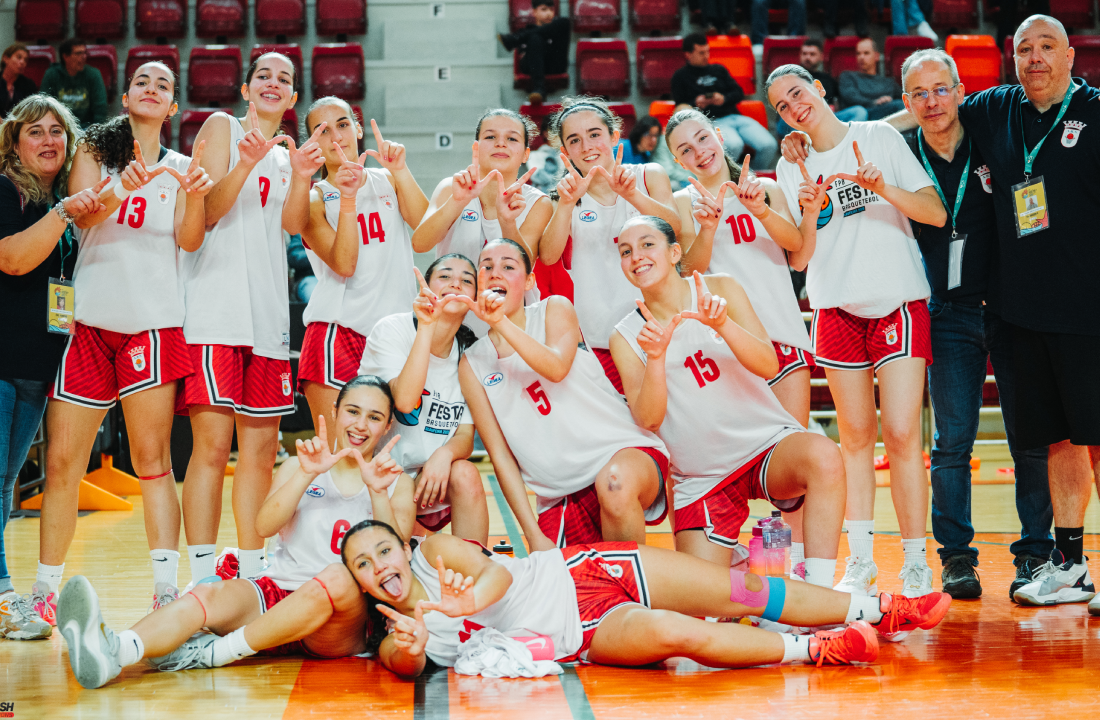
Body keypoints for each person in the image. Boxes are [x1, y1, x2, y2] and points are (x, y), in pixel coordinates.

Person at [873, 16, 1100, 617]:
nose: (1034, 58)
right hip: (1022, 315)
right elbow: (932, 108)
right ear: (1012, 60)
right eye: (1023, 49)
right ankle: (1069, 565)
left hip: (1097, 311)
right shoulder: (996, 109)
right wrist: (826, 135)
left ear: (1069, 56)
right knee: (1054, 439)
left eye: (1047, 47)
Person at [55, 376, 415, 689]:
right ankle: (114, 651)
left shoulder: (395, 482)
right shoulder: (299, 465)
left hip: (340, 618)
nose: (361, 424)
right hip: (279, 593)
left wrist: (377, 492)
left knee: (336, 576)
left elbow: (398, 554)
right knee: (210, 595)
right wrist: (305, 475)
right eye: (353, 411)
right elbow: (263, 527)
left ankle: (213, 654)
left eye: (374, 417)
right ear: (335, 412)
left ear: (386, 428)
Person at [37, 62, 215, 614]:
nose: (153, 89)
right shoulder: (93, 149)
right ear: (125, 96)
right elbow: (82, 220)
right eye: (144, 82)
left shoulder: (185, 166)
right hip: (89, 324)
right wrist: (120, 187)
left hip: (153, 326)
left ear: (173, 108)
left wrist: (196, 197)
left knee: (152, 460)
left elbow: (188, 241)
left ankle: (165, 591)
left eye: (164, 86)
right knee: (64, 462)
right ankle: (44, 591)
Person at [767, 63, 949, 598]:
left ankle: (917, 561)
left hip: (897, 301)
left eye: (798, 93)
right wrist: (807, 212)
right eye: (782, 105)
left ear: (820, 89)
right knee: (854, 440)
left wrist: (882, 187)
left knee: (901, 434)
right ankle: (863, 560)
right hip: (835, 306)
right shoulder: (790, 167)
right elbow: (800, 260)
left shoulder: (877, 136)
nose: (794, 106)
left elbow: (935, 213)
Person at [0, 94, 107, 640]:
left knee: (2, 483)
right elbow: (12, 259)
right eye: (35, 131)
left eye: (58, 131)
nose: (49, 140)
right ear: (13, 142)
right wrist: (63, 213)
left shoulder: (65, 205)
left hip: (32, 362)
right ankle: (5, 598)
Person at [341, 521, 955, 676]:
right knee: (678, 635)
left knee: (738, 586)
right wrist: (417, 640)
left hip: (587, 568)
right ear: (364, 586)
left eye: (382, 552)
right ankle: (810, 649)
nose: (381, 568)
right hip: (583, 633)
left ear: (402, 547)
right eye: (364, 567)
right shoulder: (398, 629)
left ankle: (878, 610)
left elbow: (499, 578)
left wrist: (461, 603)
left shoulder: (433, 553)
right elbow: (407, 665)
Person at [893, 50, 1054, 600]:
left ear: (961, 90)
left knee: (1030, 439)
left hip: (1012, 307)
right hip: (946, 312)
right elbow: (846, 137)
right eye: (920, 93)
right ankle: (957, 557)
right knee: (951, 442)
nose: (932, 102)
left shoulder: (990, 134)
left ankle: (1035, 554)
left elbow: (1045, 100)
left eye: (941, 89)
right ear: (907, 101)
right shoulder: (901, 154)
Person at [609, 217, 846, 588]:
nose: (636, 256)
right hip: (702, 477)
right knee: (705, 607)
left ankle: (820, 595)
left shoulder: (721, 289)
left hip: (764, 445)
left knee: (824, 456)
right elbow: (649, 420)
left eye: (646, 244)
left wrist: (723, 326)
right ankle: (746, 572)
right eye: (626, 251)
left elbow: (768, 364)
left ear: (674, 253)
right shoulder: (625, 335)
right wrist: (655, 357)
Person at [181, 52, 324, 586]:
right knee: (213, 450)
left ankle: (253, 570)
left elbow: (292, 225)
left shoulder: (288, 158)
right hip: (216, 313)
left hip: (267, 317)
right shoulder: (221, 128)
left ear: (291, 99)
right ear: (246, 89)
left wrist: (305, 175)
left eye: (284, 79)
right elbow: (208, 211)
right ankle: (199, 576)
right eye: (263, 74)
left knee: (260, 453)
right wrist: (244, 163)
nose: (272, 83)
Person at [664, 109, 815, 577]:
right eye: (684, 150)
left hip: (783, 339)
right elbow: (686, 274)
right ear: (677, 162)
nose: (698, 151)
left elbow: (800, 254)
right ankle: (732, 565)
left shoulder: (765, 186)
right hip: (725, 349)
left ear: (719, 135)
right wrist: (707, 227)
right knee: (728, 464)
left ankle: (793, 571)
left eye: (702, 138)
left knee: (789, 474)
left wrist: (761, 209)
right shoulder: (680, 204)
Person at [458, 239, 669, 549]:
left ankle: (643, 587)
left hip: (623, 458)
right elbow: (501, 456)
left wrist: (500, 323)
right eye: (486, 267)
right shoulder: (472, 363)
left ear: (529, 280)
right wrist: (532, 534)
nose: (495, 273)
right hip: (561, 495)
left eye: (508, 266)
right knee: (572, 594)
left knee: (615, 485)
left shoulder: (554, 308)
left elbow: (555, 367)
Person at [295, 97, 425, 446]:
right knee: (338, 456)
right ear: (313, 144)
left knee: (394, 454)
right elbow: (344, 263)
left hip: (393, 336)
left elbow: (427, 230)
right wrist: (348, 197)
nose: (336, 135)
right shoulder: (314, 199)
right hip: (338, 333)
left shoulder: (387, 180)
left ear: (356, 127)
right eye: (323, 131)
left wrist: (400, 170)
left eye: (343, 123)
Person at [538, 98, 680, 394]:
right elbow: (549, 256)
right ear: (564, 151)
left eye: (594, 134)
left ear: (614, 136)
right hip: (599, 334)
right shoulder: (564, 197)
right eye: (574, 140)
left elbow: (674, 228)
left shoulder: (648, 175)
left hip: (661, 327)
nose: (587, 145)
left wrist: (633, 196)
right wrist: (564, 205)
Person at [356, 257, 489, 543]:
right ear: (425, 287)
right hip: (379, 480)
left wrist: (444, 455)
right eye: (446, 276)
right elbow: (404, 401)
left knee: (464, 472)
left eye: (467, 280)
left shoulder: (472, 353)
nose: (456, 283)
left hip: (428, 484)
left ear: (474, 298)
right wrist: (427, 326)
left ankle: (473, 568)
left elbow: (465, 435)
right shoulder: (393, 330)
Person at [412, 108, 554, 335]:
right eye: (490, 137)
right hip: (453, 321)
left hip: (511, 323)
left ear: (526, 154)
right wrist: (458, 201)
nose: (500, 143)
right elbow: (420, 243)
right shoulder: (451, 187)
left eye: (511, 138)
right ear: (475, 147)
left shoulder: (539, 203)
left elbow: (524, 266)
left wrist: (507, 221)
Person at [671, 34, 778, 170]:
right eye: (701, 53)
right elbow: (680, 107)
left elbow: (738, 92)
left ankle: (751, 176)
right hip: (710, 121)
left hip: (735, 116)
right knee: (734, 145)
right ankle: (734, 178)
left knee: (769, 145)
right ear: (688, 54)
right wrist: (696, 103)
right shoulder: (680, 77)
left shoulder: (718, 69)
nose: (706, 56)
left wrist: (723, 99)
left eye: (708, 51)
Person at [776, 39, 868, 138]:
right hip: (797, 119)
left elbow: (838, 104)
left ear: (821, 57)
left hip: (824, 118)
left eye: (812, 54)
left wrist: (832, 108)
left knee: (859, 111)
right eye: (804, 54)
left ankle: (845, 143)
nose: (807, 57)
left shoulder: (828, 79)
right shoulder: (790, 77)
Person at [499, 0, 571, 105]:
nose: (549, 13)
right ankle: (538, 89)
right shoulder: (527, 31)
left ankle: (514, 40)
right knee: (535, 38)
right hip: (532, 68)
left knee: (564, 22)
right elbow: (523, 57)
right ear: (534, 12)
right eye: (544, 9)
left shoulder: (558, 28)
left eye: (551, 9)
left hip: (554, 65)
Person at [40, 38, 108, 128]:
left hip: (87, 128)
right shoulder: (51, 75)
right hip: (60, 128)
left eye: (85, 53)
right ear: (65, 57)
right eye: (79, 53)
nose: (84, 57)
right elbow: (44, 106)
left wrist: (96, 131)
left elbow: (100, 109)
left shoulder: (94, 74)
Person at [0, 43, 38, 152]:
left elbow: (31, 113)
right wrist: (8, 130)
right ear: (6, 59)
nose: (22, 62)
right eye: (19, 57)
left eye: (25, 60)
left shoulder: (28, 84)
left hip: (20, 132)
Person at [839, 39, 905, 122]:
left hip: (881, 114)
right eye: (858, 53)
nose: (861, 57)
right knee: (860, 112)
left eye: (866, 53)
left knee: (901, 105)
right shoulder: (848, 76)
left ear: (876, 56)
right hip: (859, 114)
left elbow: (905, 98)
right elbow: (850, 98)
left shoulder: (889, 82)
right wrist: (875, 102)